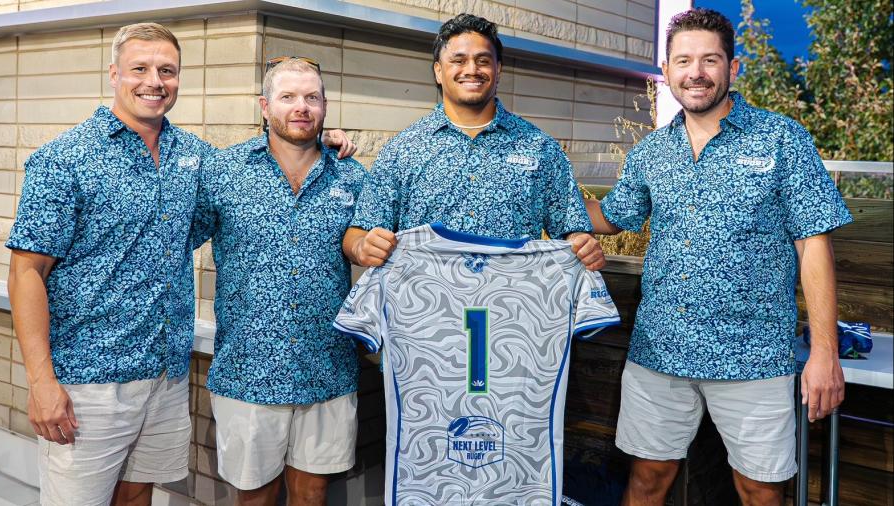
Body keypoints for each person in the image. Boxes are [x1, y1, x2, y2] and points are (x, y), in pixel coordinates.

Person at [6, 23, 353, 506]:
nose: (155, 81)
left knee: (137, 498)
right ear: (113, 74)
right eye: (140, 69)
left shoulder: (197, 158)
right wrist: (41, 381)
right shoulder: (65, 159)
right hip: (89, 377)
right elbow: (26, 272)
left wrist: (322, 139)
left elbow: (275, 155)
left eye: (167, 70)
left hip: (165, 374)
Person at [585, 9, 852, 506]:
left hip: (754, 354)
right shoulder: (650, 154)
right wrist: (546, 197)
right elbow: (611, 217)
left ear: (733, 68)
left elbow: (814, 244)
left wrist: (824, 353)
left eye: (710, 59)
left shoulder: (781, 140)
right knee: (647, 480)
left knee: (761, 492)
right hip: (661, 350)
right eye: (683, 61)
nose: (696, 72)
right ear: (666, 71)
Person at [192, 57, 363, 505]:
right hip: (249, 369)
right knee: (254, 496)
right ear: (265, 107)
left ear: (326, 107)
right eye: (288, 97)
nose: (301, 107)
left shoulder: (354, 177)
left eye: (312, 97)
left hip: (327, 368)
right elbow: (174, 239)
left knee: (312, 493)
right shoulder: (224, 173)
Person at [342, 13, 604, 271]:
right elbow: (358, 233)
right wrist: (362, 246)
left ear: (498, 69)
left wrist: (581, 243)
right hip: (424, 309)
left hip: (513, 307)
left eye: (483, 60)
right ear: (438, 71)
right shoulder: (403, 150)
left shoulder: (539, 147)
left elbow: (571, 229)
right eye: (458, 60)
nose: (471, 70)